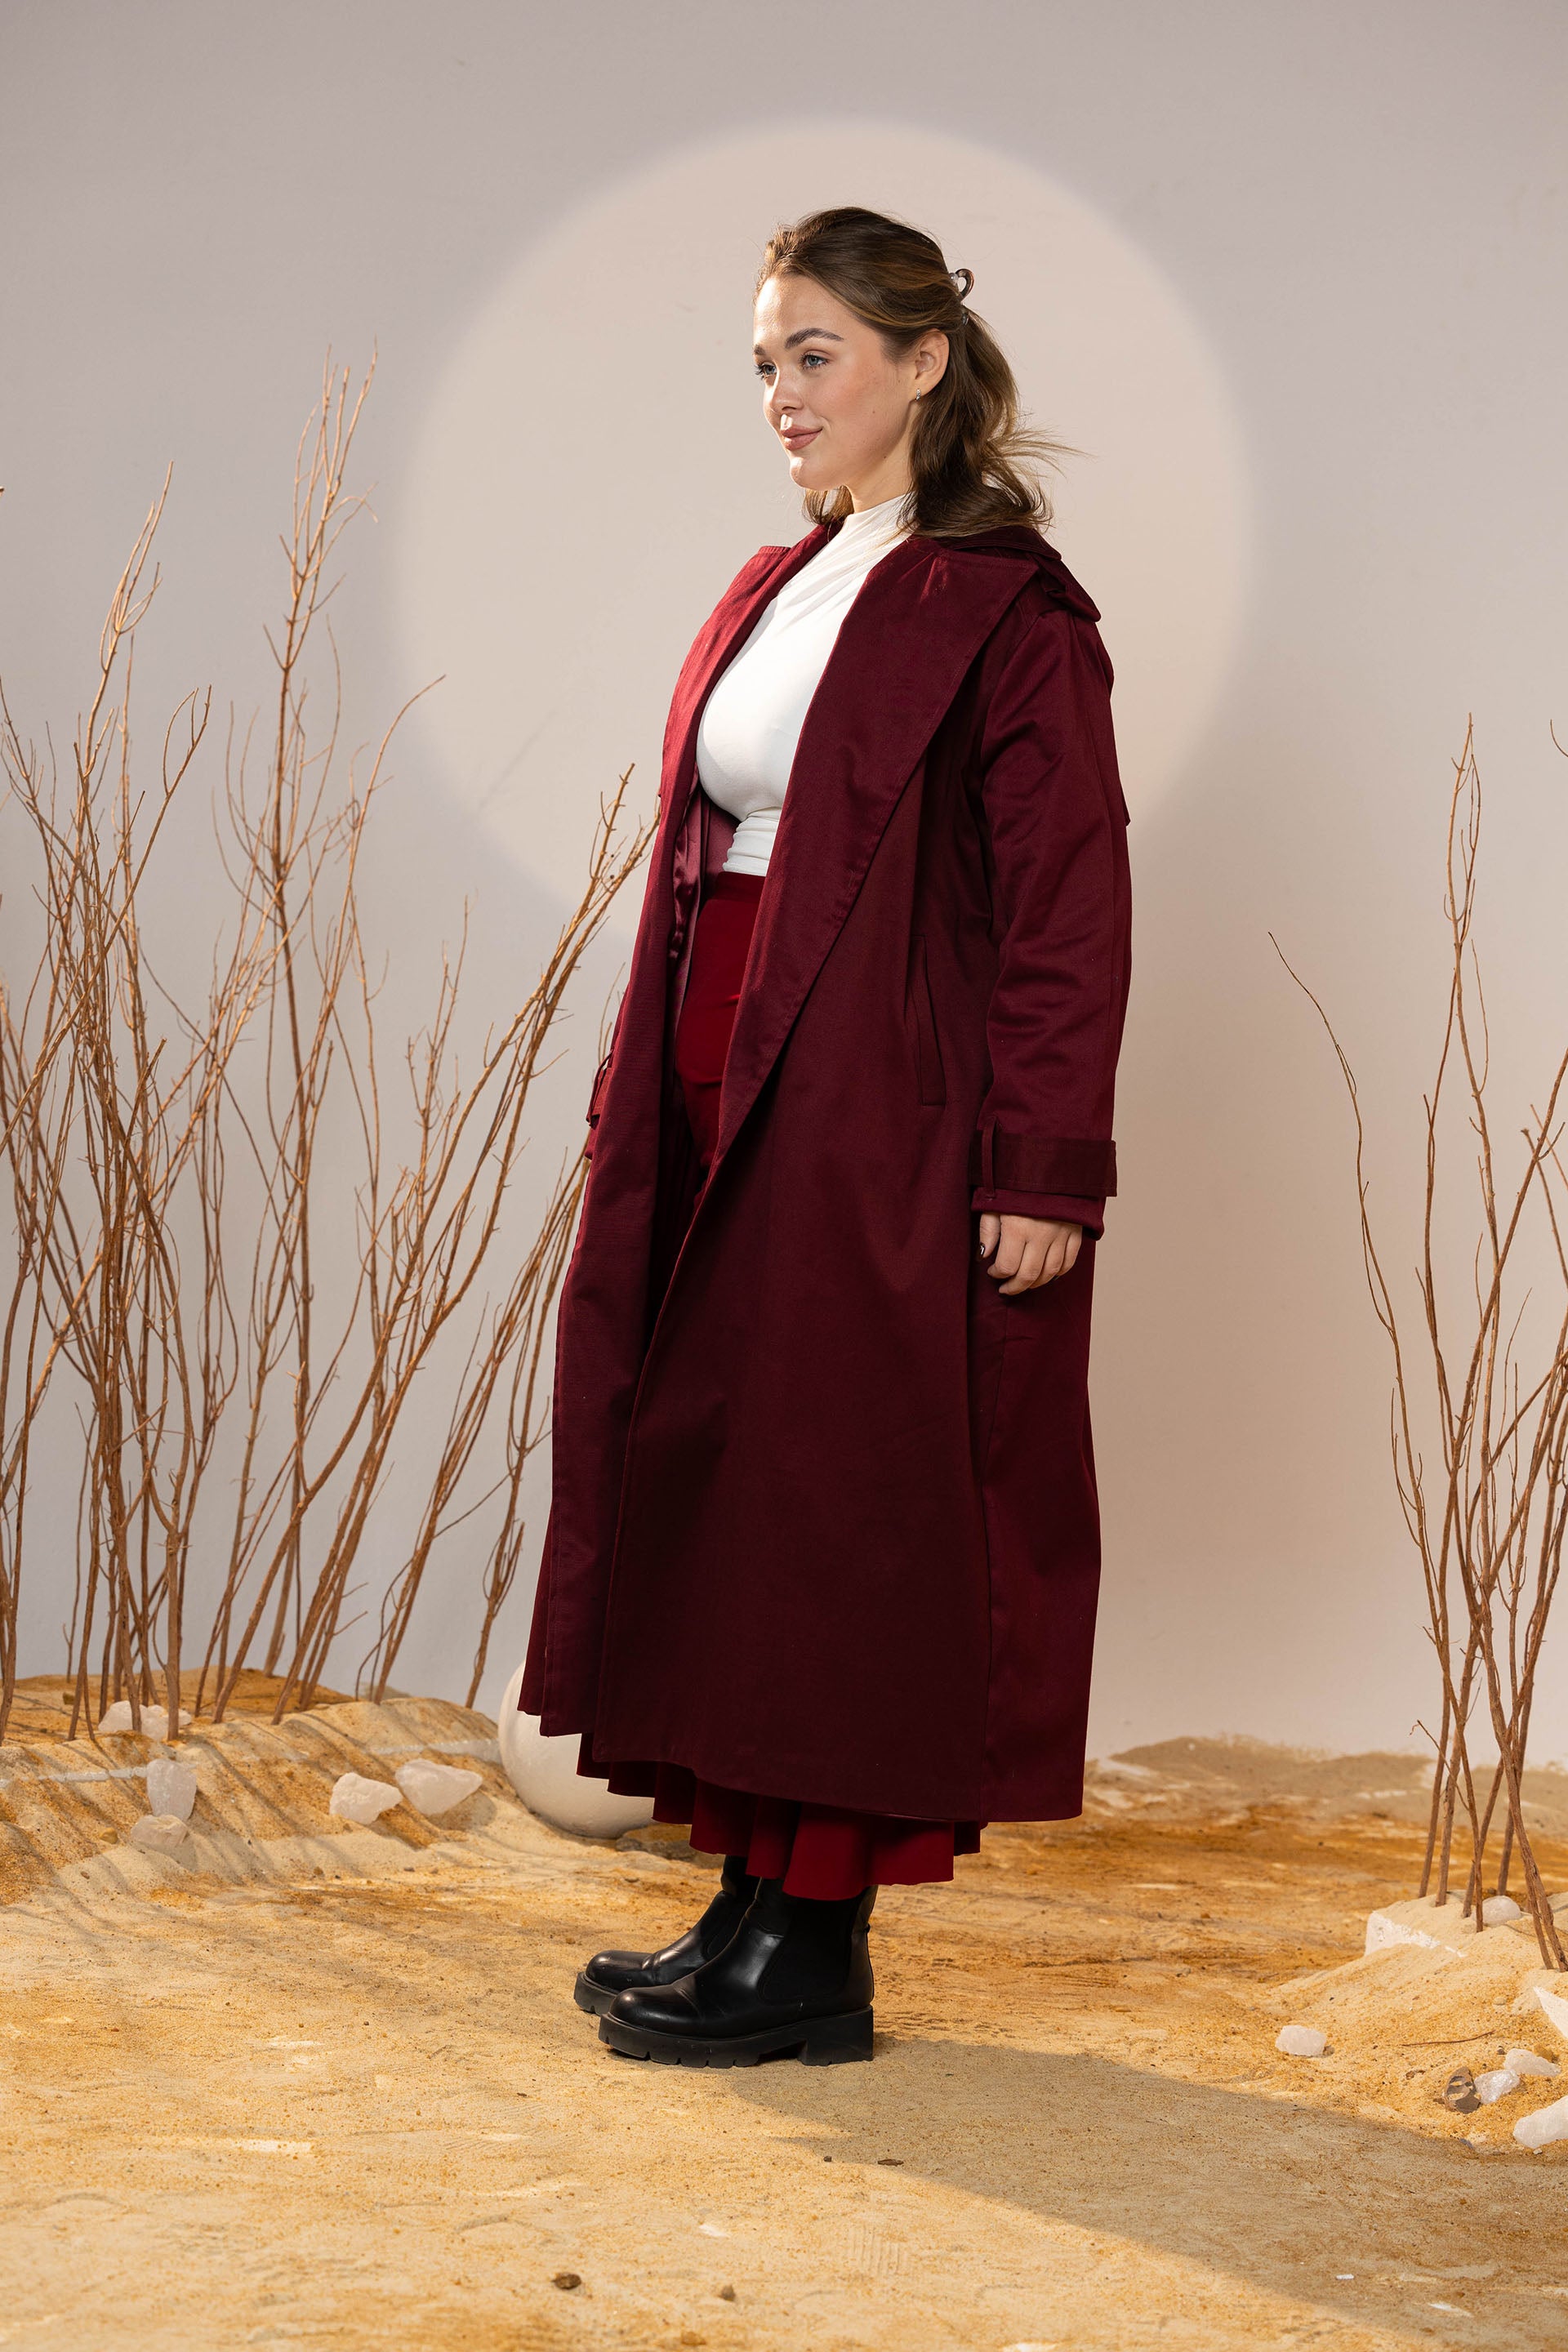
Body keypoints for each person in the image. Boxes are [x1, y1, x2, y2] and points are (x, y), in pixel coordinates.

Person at [520, 204, 1133, 2069]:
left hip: (881, 1099)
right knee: (729, 1482)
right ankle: (749, 1892)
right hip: (715, 1071)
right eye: (765, 362)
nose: (782, 394)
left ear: (924, 361)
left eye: (817, 355)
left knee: (840, 1503)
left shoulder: (1003, 606)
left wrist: (1044, 1165)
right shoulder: (777, 583)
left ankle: (816, 1941)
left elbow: (1068, 901)